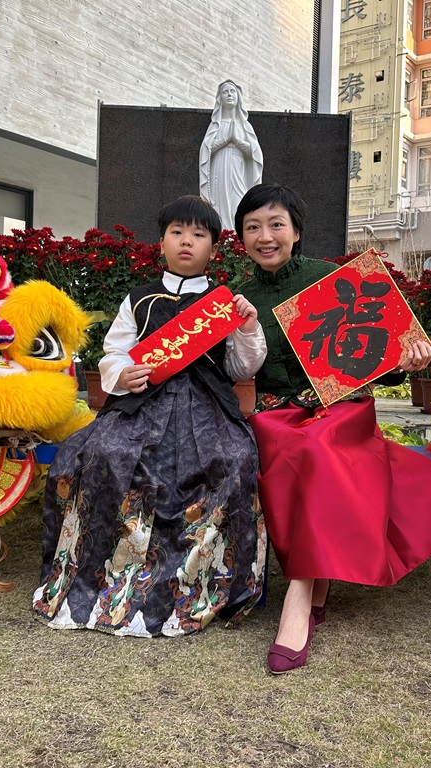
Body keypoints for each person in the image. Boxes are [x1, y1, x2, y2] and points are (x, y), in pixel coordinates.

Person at [235, 184, 431, 673]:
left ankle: (298, 597)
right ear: (242, 238)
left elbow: (375, 354)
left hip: (339, 410)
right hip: (276, 415)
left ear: (296, 231)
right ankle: (317, 580)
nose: (265, 236)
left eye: (275, 224)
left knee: (317, 448)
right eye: (252, 227)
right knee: (293, 448)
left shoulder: (332, 280)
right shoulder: (238, 298)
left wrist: (406, 359)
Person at [33, 195, 268, 638]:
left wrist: (248, 327)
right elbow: (113, 352)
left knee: (234, 458)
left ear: (213, 249)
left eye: (198, 234)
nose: (186, 241)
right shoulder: (138, 299)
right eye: (177, 232)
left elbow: (241, 369)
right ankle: (106, 574)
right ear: (161, 242)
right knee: (105, 451)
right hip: (143, 403)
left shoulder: (223, 304)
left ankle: (207, 578)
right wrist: (122, 373)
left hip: (207, 407)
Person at [199, 80, 263, 232]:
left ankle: (237, 236)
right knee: (220, 204)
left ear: (238, 96)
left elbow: (255, 153)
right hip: (220, 168)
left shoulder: (245, 126)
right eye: (225, 92)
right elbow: (206, 150)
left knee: (239, 201)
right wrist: (226, 140)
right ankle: (223, 236)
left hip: (238, 168)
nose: (229, 95)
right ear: (220, 98)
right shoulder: (216, 125)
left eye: (232, 91)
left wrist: (237, 141)